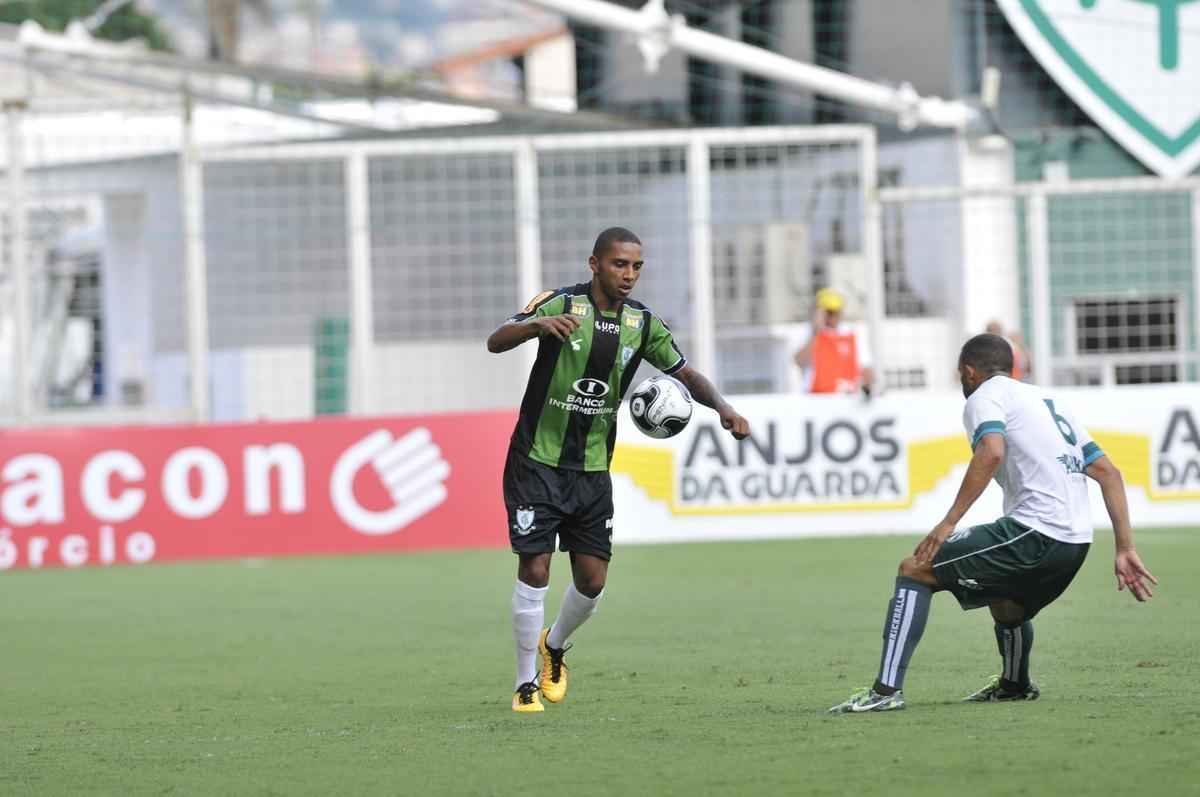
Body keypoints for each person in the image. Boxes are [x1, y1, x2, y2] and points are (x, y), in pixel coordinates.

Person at [487, 226, 751, 713]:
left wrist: (723, 408)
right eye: (619, 264)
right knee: (535, 565)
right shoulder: (560, 303)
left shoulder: (642, 324)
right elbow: (496, 341)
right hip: (536, 460)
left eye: (636, 267)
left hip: (591, 468)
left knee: (592, 582)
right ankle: (525, 683)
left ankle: (554, 645)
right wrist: (537, 327)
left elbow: (685, 373)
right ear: (595, 264)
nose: (628, 274)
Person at [829, 333, 1157, 713]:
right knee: (1005, 599)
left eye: (960, 376)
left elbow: (991, 451)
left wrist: (947, 523)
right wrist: (1124, 548)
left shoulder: (985, 396)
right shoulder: (1046, 400)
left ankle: (885, 692)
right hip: (1075, 545)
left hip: (1035, 533)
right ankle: (1015, 685)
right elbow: (1109, 473)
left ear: (969, 372)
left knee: (915, 569)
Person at [792, 287, 874, 396]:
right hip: (815, 398)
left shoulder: (851, 334)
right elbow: (799, 361)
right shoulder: (807, 332)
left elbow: (866, 369)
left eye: (835, 312)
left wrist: (866, 388)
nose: (832, 318)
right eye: (828, 313)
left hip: (846, 397)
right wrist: (816, 333)